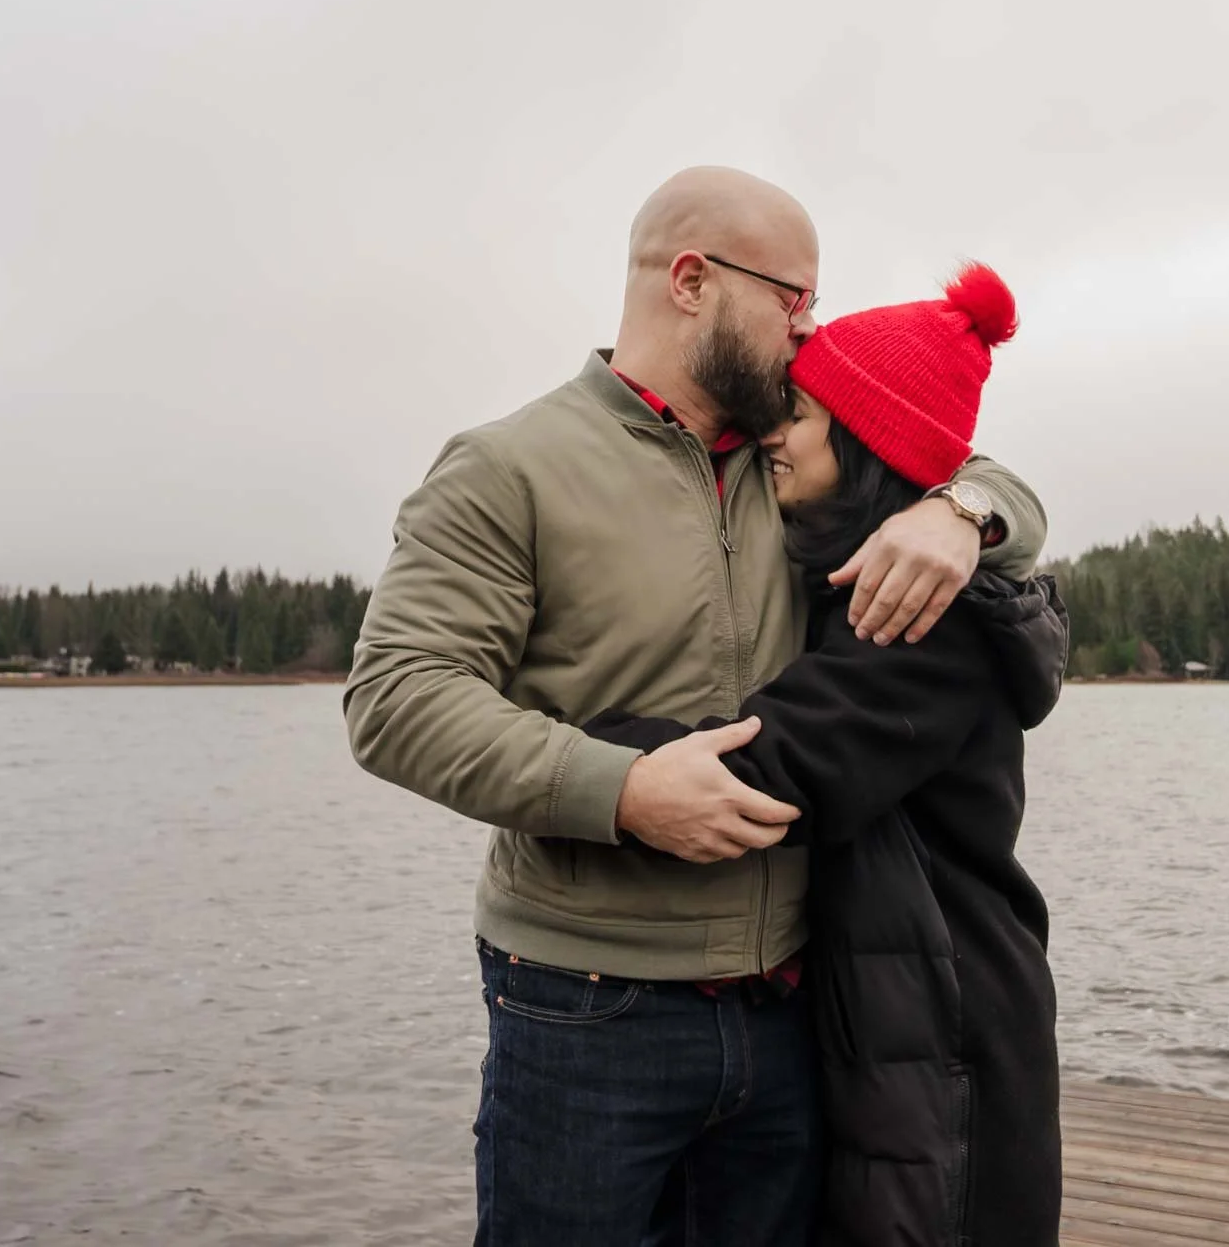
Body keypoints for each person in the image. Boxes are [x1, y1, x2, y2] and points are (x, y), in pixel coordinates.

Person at [342, 167, 1051, 1247]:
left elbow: (938, 445)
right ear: (690, 282)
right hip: (586, 1007)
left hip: (789, 1013)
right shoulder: (507, 469)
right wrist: (619, 788)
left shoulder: (798, 460)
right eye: (793, 299)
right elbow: (397, 697)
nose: (810, 331)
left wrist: (970, 509)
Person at [586, 263, 1066, 1245]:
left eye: (799, 416)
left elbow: (773, 770)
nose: (774, 433)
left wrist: (546, 748)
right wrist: (974, 500)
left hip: (947, 1031)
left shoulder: (930, 620)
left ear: (865, 439)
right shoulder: (847, 579)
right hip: (889, 1017)